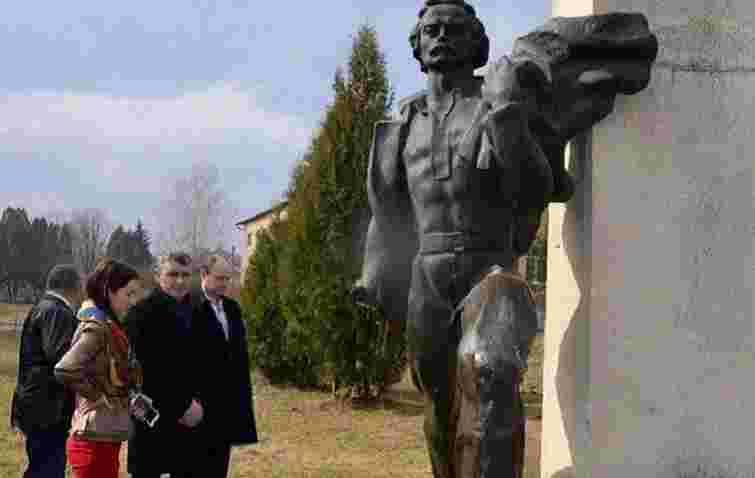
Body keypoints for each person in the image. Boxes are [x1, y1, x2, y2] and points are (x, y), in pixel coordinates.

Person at [353, 1, 657, 477]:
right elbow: (388, 208)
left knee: (490, 371)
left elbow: (536, 186)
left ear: (476, 43)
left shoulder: (496, 100)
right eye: (431, 30)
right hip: (426, 278)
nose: (441, 37)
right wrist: (373, 274)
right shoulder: (404, 121)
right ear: (417, 45)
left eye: (454, 29)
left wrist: (508, 112)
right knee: (438, 403)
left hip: (489, 267)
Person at [54, 258, 143, 478]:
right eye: (129, 294)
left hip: (104, 439)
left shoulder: (111, 327)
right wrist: (98, 396)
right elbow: (65, 369)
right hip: (92, 443)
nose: (133, 301)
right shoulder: (97, 328)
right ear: (109, 292)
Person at [124, 252, 204, 478]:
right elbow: (142, 370)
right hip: (151, 418)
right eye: (172, 274)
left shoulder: (198, 311)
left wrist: (199, 402)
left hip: (190, 419)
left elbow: (204, 363)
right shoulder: (140, 314)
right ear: (158, 276)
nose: (180, 281)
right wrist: (181, 406)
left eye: (185, 275)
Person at [184, 254, 258, 477]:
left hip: (227, 405)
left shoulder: (233, 308)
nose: (224, 283)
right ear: (204, 274)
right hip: (199, 405)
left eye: (227, 278)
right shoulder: (188, 307)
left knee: (219, 467)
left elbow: (239, 356)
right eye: (219, 278)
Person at [11, 264, 82, 478]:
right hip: (48, 407)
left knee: (40, 466)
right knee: (48, 468)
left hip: (36, 403)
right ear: (72, 287)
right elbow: (61, 358)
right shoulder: (57, 312)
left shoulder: (43, 307)